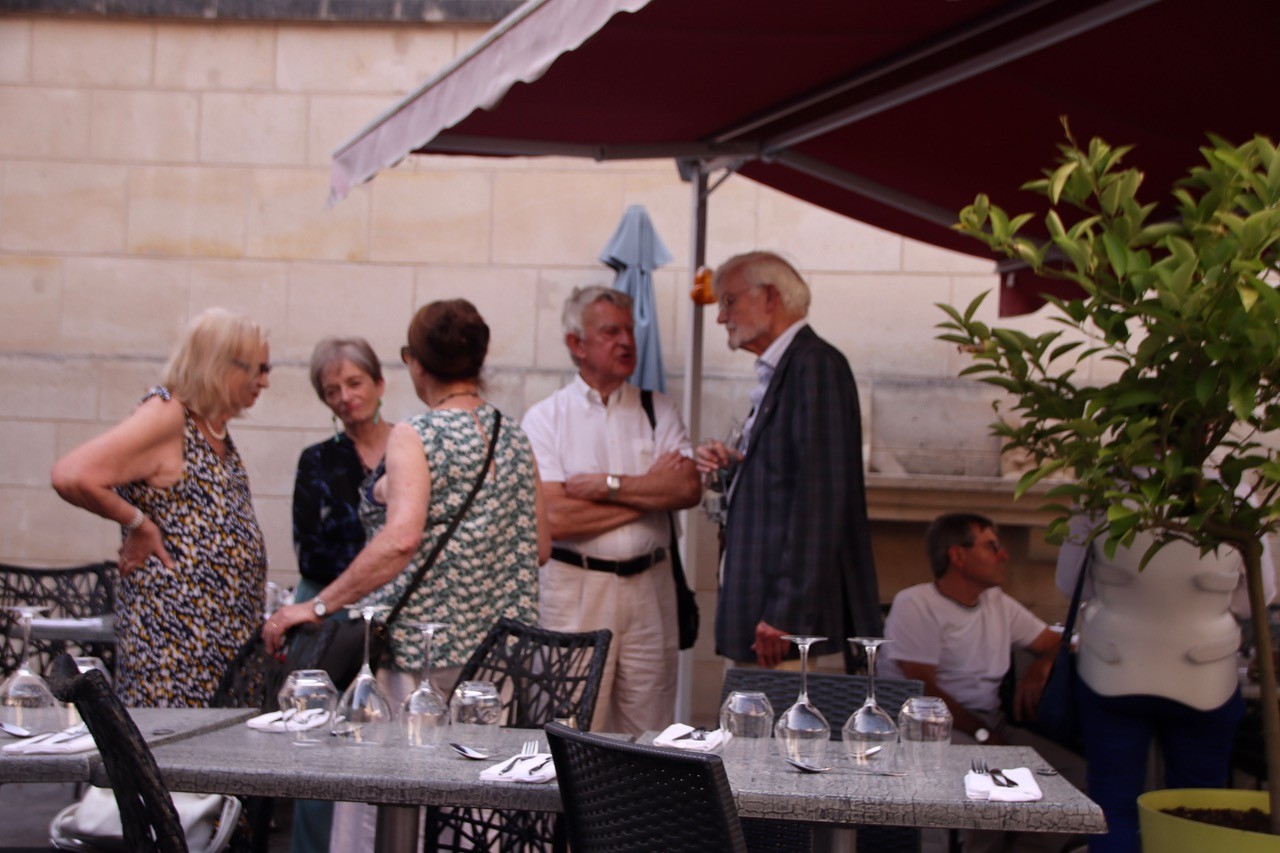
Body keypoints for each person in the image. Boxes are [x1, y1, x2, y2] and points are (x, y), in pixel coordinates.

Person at [51, 308, 270, 707]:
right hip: (174, 644)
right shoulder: (167, 414)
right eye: (257, 368)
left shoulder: (209, 424)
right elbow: (72, 474)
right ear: (221, 364)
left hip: (225, 644)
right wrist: (139, 523)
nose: (265, 381)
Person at [521, 285, 700, 735]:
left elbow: (687, 487)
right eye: (610, 332)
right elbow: (558, 518)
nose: (626, 341)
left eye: (629, 330)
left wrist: (607, 487)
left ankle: (639, 809)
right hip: (575, 590)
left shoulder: (658, 409)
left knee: (651, 733)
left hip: (650, 592)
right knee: (570, 728)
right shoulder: (545, 419)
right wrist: (647, 497)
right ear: (576, 344)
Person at [695, 251, 881, 671]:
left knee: (776, 732)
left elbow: (820, 498)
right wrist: (733, 467)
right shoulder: (789, 367)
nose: (722, 318)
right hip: (763, 617)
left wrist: (786, 612)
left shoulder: (814, 365)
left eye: (728, 301)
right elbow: (787, 477)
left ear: (770, 297)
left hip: (783, 628)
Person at [1057, 515, 1271, 853]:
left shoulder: (1098, 487)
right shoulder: (1236, 486)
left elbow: (1072, 584)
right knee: (1200, 807)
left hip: (1113, 665)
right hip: (1205, 672)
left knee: (1111, 805)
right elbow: (1259, 593)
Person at [880, 512, 1084, 853]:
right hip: (935, 733)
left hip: (992, 725)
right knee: (987, 794)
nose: (1003, 555)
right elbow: (924, 694)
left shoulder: (997, 602)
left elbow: (1057, 643)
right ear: (957, 556)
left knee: (1076, 776)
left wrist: (1043, 664)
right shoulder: (916, 604)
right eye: (992, 547)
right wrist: (984, 736)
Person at [289, 337, 391, 853]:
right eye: (332, 390)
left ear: (379, 383)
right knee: (320, 749)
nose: (346, 397)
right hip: (331, 608)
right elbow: (311, 551)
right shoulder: (316, 460)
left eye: (354, 383)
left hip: (393, 613)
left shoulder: (411, 446)